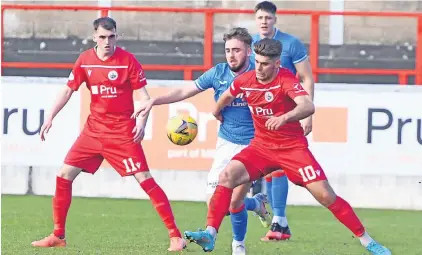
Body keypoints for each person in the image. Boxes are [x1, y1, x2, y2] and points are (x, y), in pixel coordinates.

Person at [183, 38, 391, 255]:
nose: (260, 68)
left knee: (326, 196)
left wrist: (285, 118)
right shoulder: (246, 79)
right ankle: (210, 233)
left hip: (292, 149)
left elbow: (307, 105)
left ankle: (367, 241)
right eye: (258, 62)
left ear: (277, 63)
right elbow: (227, 95)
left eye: (265, 64)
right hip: (261, 148)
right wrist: (217, 112)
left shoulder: (286, 80)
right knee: (227, 177)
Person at [31, 17, 186, 252]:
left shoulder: (127, 61)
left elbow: (144, 97)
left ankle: (176, 236)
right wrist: (50, 116)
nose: (107, 41)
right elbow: (68, 89)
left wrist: (142, 122)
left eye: (111, 36)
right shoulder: (85, 60)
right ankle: (58, 235)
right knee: (63, 175)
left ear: (117, 36)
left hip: (122, 132)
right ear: (94, 37)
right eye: (102, 37)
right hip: (93, 131)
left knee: (145, 179)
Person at [132, 27, 270, 255]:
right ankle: (256, 204)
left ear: (248, 51)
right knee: (216, 205)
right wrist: (154, 101)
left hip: (254, 145)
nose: (231, 55)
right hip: (226, 143)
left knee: (234, 203)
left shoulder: (260, 74)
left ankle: (238, 246)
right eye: (227, 50)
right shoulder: (218, 74)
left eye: (236, 50)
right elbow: (185, 91)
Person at [251, 1, 316, 241]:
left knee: (278, 166)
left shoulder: (291, 44)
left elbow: (307, 78)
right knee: (267, 167)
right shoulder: (252, 44)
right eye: (260, 18)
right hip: (257, 113)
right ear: (255, 20)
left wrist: (308, 113)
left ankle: (278, 219)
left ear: (275, 19)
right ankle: (277, 218)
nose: (264, 22)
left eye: (268, 17)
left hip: (283, 115)